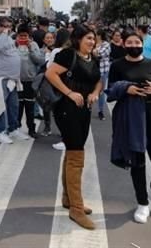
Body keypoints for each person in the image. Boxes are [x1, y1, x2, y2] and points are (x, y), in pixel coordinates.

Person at [107, 31, 151, 224]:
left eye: (137, 42)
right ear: (124, 45)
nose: (133, 44)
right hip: (130, 117)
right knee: (137, 161)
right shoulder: (117, 65)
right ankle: (142, 203)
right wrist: (126, 89)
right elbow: (110, 90)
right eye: (129, 42)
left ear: (142, 44)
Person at [44, 24, 102, 230]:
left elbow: (98, 81)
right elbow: (51, 74)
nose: (91, 42)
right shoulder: (68, 55)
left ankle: (68, 198)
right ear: (78, 39)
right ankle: (76, 208)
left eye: (93, 39)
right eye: (88, 38)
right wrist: (69, 92)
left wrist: (95, 93)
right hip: (67, 109)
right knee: (77, 155)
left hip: (84, 109)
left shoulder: (93, 58)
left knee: (72, 152)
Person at [0, 20, 29, 144]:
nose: (6, 28)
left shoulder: (10, 40)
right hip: (1, 78)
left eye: (9, 26)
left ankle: (13, 129)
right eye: (3, 26)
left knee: (13, 106)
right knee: (0, 106)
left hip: (13, 78)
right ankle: (0, 132)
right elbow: (0, 46)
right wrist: (4, 34)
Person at [16, 22, 45, 137]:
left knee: (30, 107)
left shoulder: (34, 45)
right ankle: (15, 128)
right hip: (16, 81)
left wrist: (30, 48)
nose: (23, 38)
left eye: (25, 36)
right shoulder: (14, 45)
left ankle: (31, 129)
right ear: (17, 36)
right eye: (21, 36)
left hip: (30, 81)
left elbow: (40, 60)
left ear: (29, 36)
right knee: (18, 107)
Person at [94, 28, 113, 120]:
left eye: (95, 35)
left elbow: (99, 55)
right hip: (91, 70)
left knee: (101, 91)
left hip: (102, 70)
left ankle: (101, 111)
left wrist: (94, 51)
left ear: (99, 36)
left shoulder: (106, 45)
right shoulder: (93, 43)